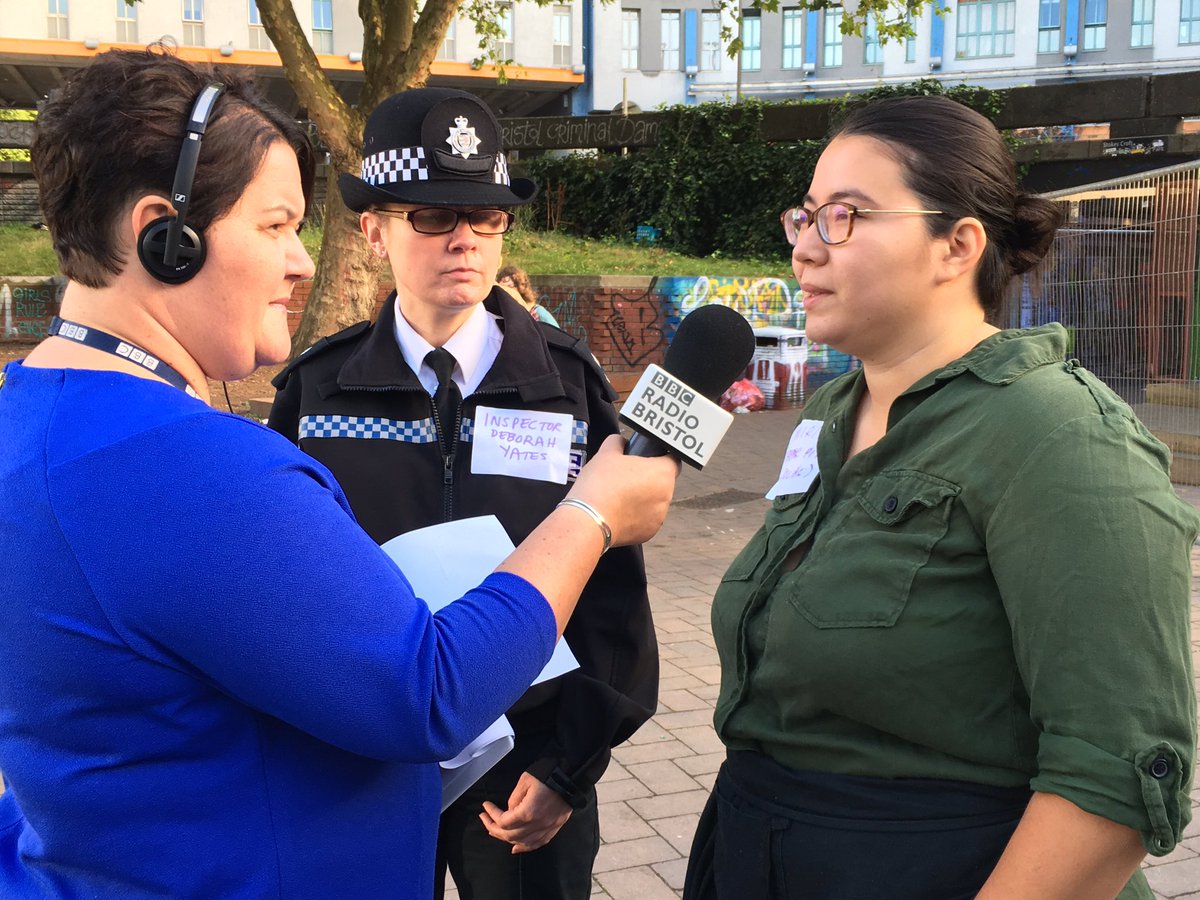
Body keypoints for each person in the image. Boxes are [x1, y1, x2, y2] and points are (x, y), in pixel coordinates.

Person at [0, 48, 677, 899]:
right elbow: (425, 691)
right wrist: (594, 513)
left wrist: (569, 761)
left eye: (486, 218)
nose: (302, 262)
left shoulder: (29, 416)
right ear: (163, 238)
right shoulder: (205, 462)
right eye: (277, 225)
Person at [685, 95, 1198, 900]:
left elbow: (1117, 774)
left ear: (957, 244)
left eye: (846, 217)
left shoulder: (1058, 434)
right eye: (805, 216)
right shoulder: (828, 415)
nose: (805, 251)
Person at [267, 89, 655, 900]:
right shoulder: (317, 393)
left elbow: (612, 593)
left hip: (524, 775)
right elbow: (282, 585)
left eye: (487, 220)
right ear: (373, 231)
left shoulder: (566, 386)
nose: (466, 242)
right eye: (435, 218)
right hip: (365, 764)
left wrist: (569, 768)